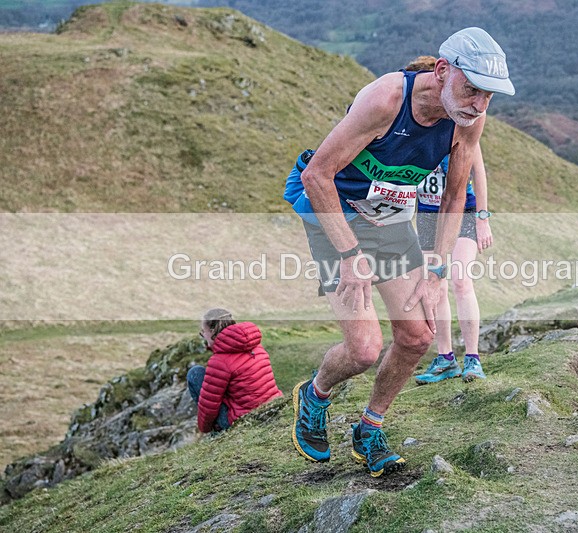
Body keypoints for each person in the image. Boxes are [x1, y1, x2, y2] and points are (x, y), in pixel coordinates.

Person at [284, 28, 514, 477]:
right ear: (442, 71)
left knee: (418, 336)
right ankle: (315, 394)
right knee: (364, 349)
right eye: (472, 90)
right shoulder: (387, 99)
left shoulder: (469, 119)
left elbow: (453, 197)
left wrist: (437, 270)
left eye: (489, 96)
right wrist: (351, 257)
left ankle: (369, 428)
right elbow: (317, 176)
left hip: (387, 217)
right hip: (332, 210)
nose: (479, 105)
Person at [403, 56, 493, 385]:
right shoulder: (411, 128)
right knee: (434, 284)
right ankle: (445, 359)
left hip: (464, 211)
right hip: (428, 215)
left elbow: (478, 172)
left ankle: (473, 359)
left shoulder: (460, 124)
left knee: (460, 279)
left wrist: (483, 218)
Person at [187, 308, 283, 433]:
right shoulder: (255, 345)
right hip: (272, 405)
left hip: (246, 418)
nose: (203, 336)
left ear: (212, 331)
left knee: (195, 373)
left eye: (203, 332)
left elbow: (208, 406)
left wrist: (205, 429)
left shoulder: (220, 361)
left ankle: (217, 432)